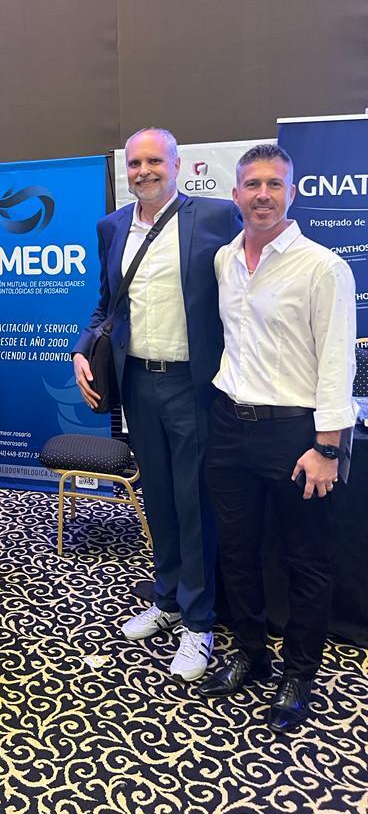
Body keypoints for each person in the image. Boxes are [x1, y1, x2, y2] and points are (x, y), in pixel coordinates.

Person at [73, 128, 241, 680]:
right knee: (160, 498)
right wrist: (81, 349)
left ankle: (199, 621)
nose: (143, 171)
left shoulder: (216, 217)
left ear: (176, 165)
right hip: (138, 383)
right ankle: (167, 597)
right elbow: (106, 305)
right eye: (134, 163)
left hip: (194, 385)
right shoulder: (112, 227)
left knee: (194, 503)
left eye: (154, 161)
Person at [198, 143, 355, 732]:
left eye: (274, 184)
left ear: (291, 192)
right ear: (235, 193)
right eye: (252, 184)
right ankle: (251, 653)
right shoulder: (224, 260)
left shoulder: (322, 267)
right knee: (237, 552)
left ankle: (299, 673)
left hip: (296, 434)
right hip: (228, 424)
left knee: (306, 559)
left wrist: (328, 448)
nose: (262, 195)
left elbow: (337, 363)